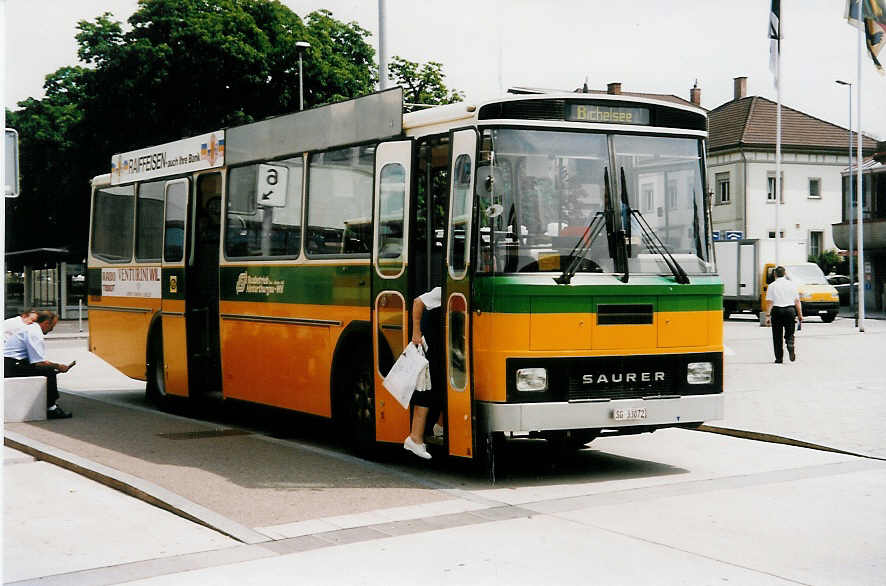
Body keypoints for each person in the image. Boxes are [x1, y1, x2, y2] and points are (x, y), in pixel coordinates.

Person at [4, 311, 73, 419]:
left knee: (48, 370)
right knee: (49, 372)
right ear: (46, 323)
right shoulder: (34, 333)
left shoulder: (30, 329)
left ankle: (49, 404)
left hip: (9, 363)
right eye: (52, 326)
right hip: (11, 365)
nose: (52, 329)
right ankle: (51, 408)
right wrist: (58, 366)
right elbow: (38, 362)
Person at [403, 286, 443, 460]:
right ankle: (414, 438)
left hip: (439, 346)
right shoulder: (441, 291)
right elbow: (417, 302)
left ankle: (439, 427)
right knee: (426, 389)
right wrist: (416, 333)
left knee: (440, 386)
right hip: (430, 345)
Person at [764, 266, 803, 363]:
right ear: (785, 274)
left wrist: (768, 315)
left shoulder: (772, 286)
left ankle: (779, 358)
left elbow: (769, 302)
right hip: (790, 311)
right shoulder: (792, 285)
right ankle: (790, 343)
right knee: (790, 332)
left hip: (777, 311)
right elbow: (797, 301)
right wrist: (800, 315)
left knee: (777, 335)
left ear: (775, 274)